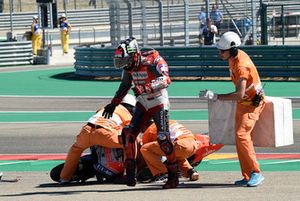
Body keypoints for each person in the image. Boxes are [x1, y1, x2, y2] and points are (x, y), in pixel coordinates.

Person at [102, 37, 178, 189]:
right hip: (143, 103)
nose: (126, 64)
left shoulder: (153, 59)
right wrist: (113, 103)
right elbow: (125, 85)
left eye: (127, 60)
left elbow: (166, 80)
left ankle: (173, 177)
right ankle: (130, 174)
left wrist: (146, 88)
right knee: (129, 134)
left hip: (159, 102)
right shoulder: (129, 67)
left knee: (163, 138)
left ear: (135, 55)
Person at [199, 31, 266, 187]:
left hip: (252, 103)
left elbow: (238, 94)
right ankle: (248, 175)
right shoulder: (233, 58)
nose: (220, 53)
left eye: (222, 50)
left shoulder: (241, 66)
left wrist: (216, 96)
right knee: (239, 137)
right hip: (244, 102)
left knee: (242, 136)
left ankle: (256, 172)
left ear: (233, 49)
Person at [59, 94, 136, 184]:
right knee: (131, 144)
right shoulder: (126, 113)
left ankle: (64, 178)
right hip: (106, 133)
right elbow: (130, 131)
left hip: (87, 130)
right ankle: (128, 175)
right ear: (131, 107)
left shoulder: (105, 108)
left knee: (75, 150)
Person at [140, 120, 224, 183]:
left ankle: (162, 175)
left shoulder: (150, 130)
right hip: (192, 144)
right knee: (174, 153)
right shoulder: (169, 121)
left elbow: (147, 153)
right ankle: (190, 172)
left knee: (145, 148)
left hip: (181, 144)